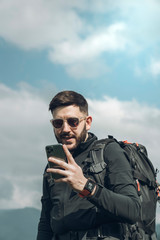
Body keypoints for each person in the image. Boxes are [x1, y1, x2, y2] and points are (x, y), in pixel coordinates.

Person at [36, 90, 140, 240]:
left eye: (73, 122)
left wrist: (86, 186)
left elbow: (133, 210)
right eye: (58, 123)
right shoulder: (54, 165)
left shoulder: (108, 152)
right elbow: (46, 223)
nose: (65, 129)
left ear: (88, 122)